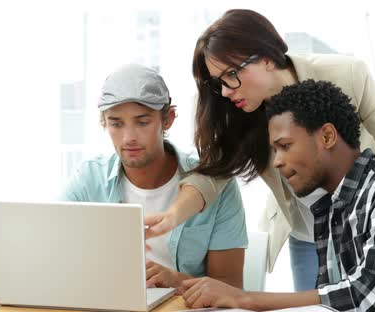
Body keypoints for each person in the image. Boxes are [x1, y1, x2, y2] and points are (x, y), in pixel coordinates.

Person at [144, 9, 375, 291]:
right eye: (217, 82)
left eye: (231, 75)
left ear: (265, 57)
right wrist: (172, 216)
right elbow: (212, 175)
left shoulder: (346, 75)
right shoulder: (236, 110)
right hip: (308, 235)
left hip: (369, 225)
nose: (225, 90)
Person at [178, 80, 375, 311]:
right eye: (274, 150)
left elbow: (364, 298)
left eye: (285, 145)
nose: (277, 161)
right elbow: (328, 305)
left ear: (327, 136)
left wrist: (244, 299)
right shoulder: (330, 208)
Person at [62, 64, 248, 289]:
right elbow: (51, 252)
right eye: (116, 123)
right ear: (104, 122)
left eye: (142, 122)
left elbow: (230, 287)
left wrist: (174, 281)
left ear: (167, 119)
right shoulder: (89, 179)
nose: (129, 137)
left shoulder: (214, 181)